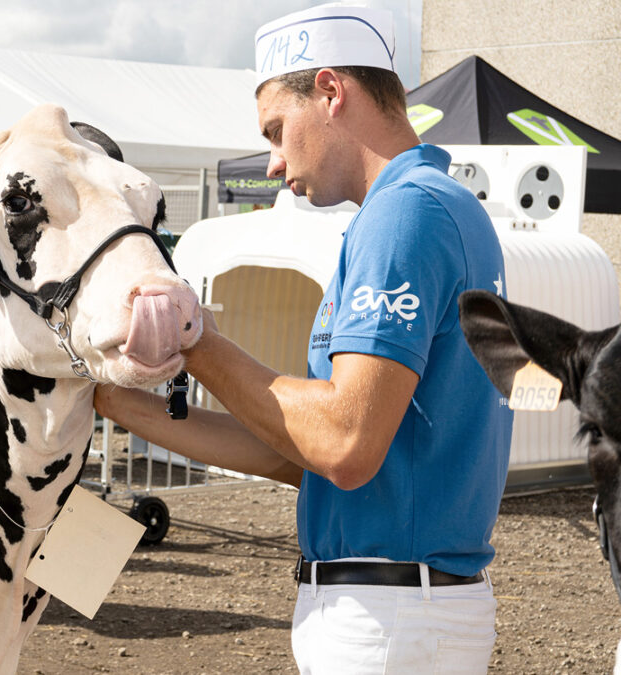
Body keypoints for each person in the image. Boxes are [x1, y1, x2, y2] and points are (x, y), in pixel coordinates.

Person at [95, 5, 513, 672]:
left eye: (276, 130)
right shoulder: (445, 204)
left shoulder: (404, 213)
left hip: (386, 616)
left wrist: (197, 339)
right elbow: (303, 455)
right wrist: (114, 402)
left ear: (330, 91)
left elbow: (343, 443)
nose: (271, 162)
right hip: (403, 608)